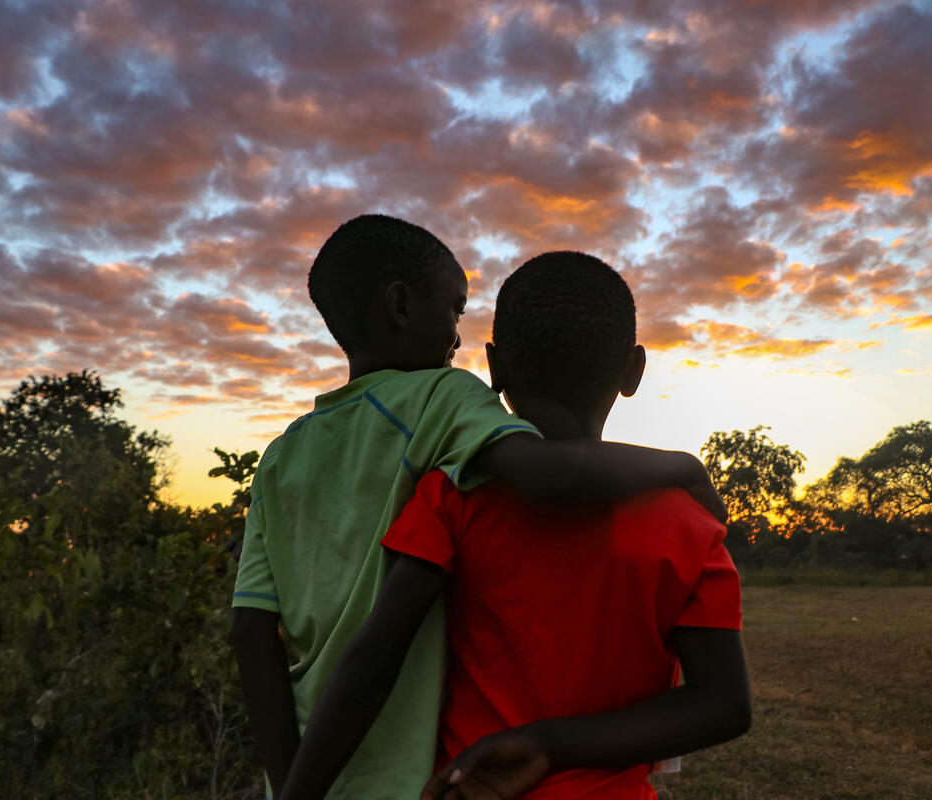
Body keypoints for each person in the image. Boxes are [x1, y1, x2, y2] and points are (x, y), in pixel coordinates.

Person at [232, 217, 726, 800]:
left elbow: (251, 633)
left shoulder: (279, 457)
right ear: (399, 305)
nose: (457, 339)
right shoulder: (445, 398)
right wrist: (685, 468)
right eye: (455, 311)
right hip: (410, 776)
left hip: (311, 763)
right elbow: (550, 472)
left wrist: (292, 786)